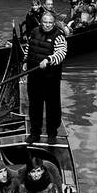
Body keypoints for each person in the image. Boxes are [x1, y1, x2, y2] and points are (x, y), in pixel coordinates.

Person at [23, 9, 67, 144]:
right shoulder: (34, 32)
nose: (47, 25)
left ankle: (52, 134)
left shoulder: (59, 36)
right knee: (34, 105)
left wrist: (48, 59)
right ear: (41, 22)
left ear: (54, 23)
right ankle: (35, 132)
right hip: (34, 76)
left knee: (52, 106)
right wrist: (25, 62)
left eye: (50, 23)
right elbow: (29, 48)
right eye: (45, 22)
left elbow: (61, 53)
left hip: (50, 78)